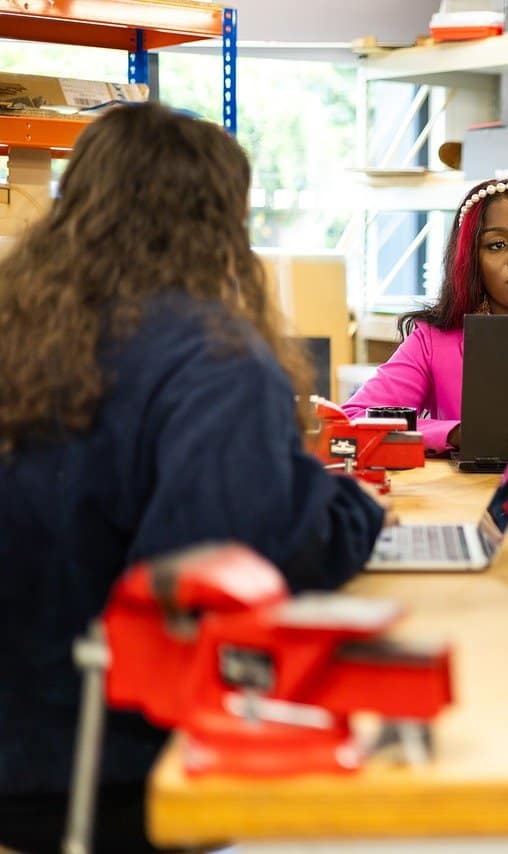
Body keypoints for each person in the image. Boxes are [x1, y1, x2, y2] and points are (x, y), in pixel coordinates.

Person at [0, 103, 389, 853]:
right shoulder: (216, 359)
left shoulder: (22, 330)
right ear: (222, 221)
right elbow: (222, 574)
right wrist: (349, 515)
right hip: (96, 765)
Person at [342, 179, 508, 454]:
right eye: (496, 245)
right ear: (471, 263)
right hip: (469, 495)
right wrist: (457, 433)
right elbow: (354, 418)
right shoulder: (433, 342)